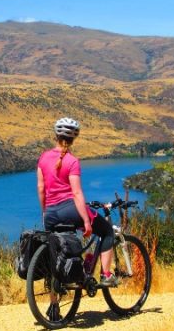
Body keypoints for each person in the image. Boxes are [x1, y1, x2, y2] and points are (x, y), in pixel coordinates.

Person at [37, 117, 118, 305]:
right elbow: (76, 193)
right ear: (74, 138)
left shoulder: (43, 158)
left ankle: (54, 304)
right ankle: (106, 275)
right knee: (106, 231)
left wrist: (45, 212)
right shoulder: (72, 161)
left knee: (55, 254)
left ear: (56, 136)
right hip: (70, 209)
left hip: (50, 213)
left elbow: (41, 189)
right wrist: (86, 220)